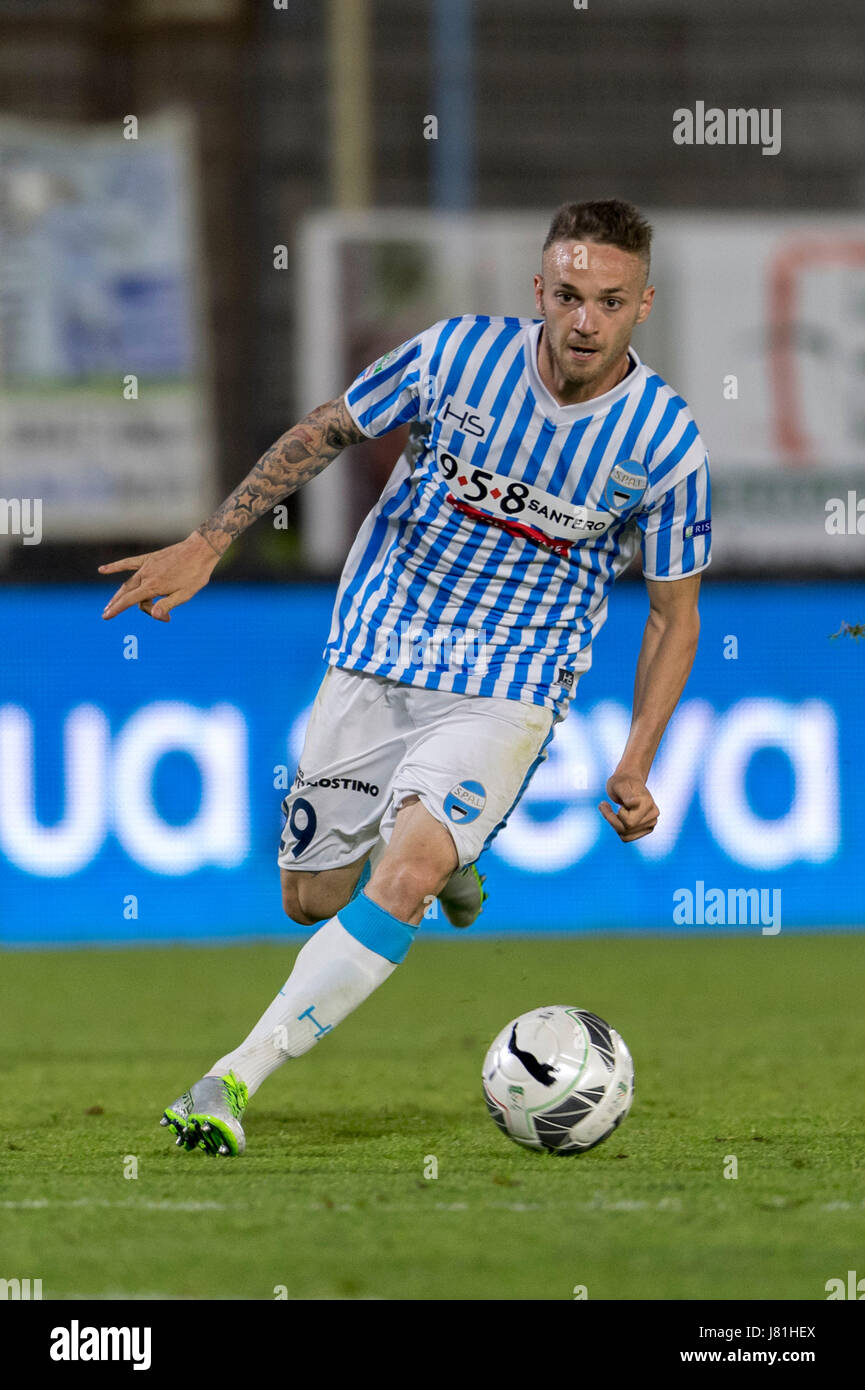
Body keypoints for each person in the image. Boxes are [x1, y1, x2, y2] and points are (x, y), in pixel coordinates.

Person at [99, 199, 711, 1156]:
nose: (583, 320)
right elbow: (328, 429)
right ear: (537, 291)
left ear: (642, 304)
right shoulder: (455, 356)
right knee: (309, 896)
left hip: (509, 683)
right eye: (567, 295)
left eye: (608, 300)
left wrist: (636, 761)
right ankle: (461, 863)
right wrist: (211, 542)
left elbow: (675, 616)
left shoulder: (664, 445)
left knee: (407, 870)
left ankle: (229, 1079)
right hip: (377, 652)